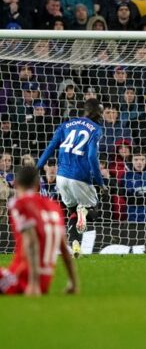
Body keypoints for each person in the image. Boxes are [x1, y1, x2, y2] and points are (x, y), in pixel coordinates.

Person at [36, 99, 107, 258]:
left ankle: (75, 245)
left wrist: (37, 169)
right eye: (100, 112)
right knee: (92, 210)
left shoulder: (65, 125)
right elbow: (91, 157)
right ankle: (84, 211)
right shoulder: (96, 129)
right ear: (93, 112)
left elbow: (49, 148)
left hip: (61, 177)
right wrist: (101, 183)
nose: (102, 116)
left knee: (73, 211)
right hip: (80, 177)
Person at [0, 166, 78, 296]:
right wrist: (73, 283)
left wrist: (33, 283)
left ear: (17, 184)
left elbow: (31, 242)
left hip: (21, 279)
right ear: (37, 185)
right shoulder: (54, 206)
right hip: (45, 281)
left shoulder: (19, 203)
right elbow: (64, 248)